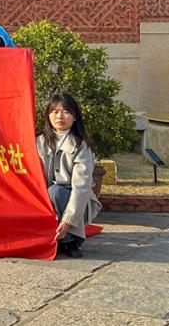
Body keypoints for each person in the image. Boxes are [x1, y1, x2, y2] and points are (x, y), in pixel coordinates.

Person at [36, 92, 102, 258]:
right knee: (49, 192)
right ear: (48, 115)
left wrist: (68, 221)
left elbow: (81, 187)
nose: (60, 116)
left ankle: (71, 240)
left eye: (66, 112)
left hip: (77, 201)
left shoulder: (82, 145)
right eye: (55, 111)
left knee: (56, 191)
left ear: (75, 117)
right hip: (45, 200)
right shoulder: (38, 142)